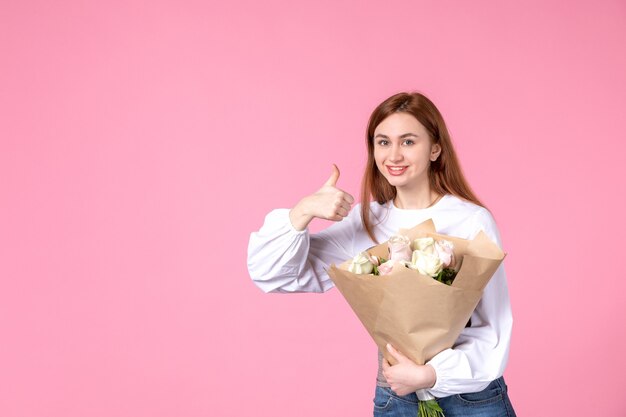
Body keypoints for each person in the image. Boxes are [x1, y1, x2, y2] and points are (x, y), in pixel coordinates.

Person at [247, 91, 517, 416]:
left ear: (435, 148)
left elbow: (495, 326)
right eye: (383, 142)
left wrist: (431, 375)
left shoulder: (471, 220)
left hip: (470, 399)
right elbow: (270, 273)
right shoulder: (366, 223)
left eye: (408, 142)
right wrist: (302, 212)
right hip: (397, 400)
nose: (394, 155)